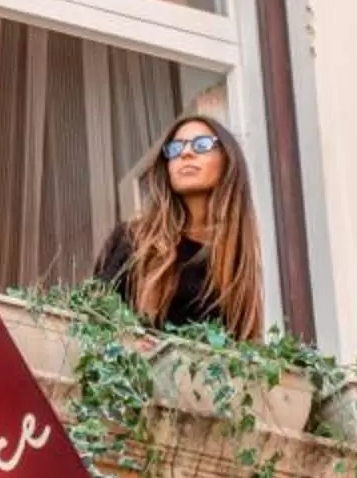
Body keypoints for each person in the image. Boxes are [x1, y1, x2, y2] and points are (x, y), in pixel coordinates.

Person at [93, 114, 265, 340]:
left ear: (227, 160)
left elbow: (243, 344)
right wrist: (130, 343)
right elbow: (94, 318)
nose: (186, 153)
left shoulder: (237, 259)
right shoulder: (134, 240)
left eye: (201, 145)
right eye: (175, 149)